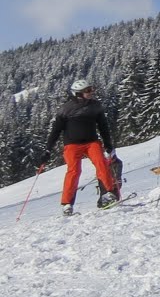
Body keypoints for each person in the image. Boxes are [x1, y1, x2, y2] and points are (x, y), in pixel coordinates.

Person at [44, 80, 120, 215]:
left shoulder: (96, 106)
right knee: (74, 171)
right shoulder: (66, 109)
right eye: (88, 90)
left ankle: (109, 193)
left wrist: (108, 145)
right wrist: (48, 149)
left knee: (102, 164)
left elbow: (103, 126)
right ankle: (67, 204)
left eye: (91, 89)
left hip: (91, 142)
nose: (91, 92)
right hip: (72, 144)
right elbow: (56, 130)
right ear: (78, 93)